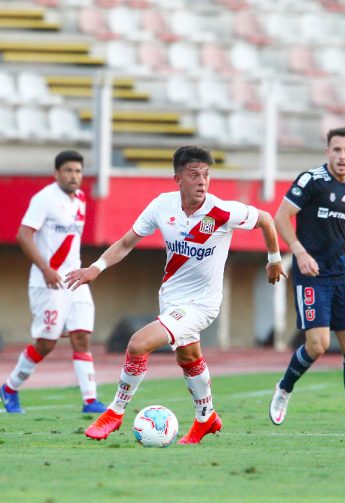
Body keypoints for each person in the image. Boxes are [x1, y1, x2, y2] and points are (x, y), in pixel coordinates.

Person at [66, 145, 286, 444]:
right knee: (189, 356)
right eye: (194, 175)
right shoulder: (162, 206)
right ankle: (206, 417)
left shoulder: (222, 211)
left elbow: (265, 219)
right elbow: (127, 241)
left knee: (138, 344)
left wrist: (273, 260)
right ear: (177, 179)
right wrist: (97, 266)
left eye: (206, 175)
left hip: (202, 305)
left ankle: (115, 412)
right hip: (171, 298)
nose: (202, 181)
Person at [268, 127, 345, 431]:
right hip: (311, 275)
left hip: (341, 275)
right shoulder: (311, 180)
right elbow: (280, 217)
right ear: (327, 152)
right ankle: (285, 388)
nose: (342, 156)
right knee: (317, 345)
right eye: (336, 150)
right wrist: (299, 252)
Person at [0, 150, 106, 414]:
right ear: (57, 173)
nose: (74, 176)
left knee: (82, 337)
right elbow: (23, 235)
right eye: (68, 170)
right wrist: (45, 269)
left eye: (78, 171)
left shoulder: (80, 199)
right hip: (49, 282)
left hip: (75, 280)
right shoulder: (44, 199)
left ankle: (90, 400)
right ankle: (9, 388)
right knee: (46, 343)